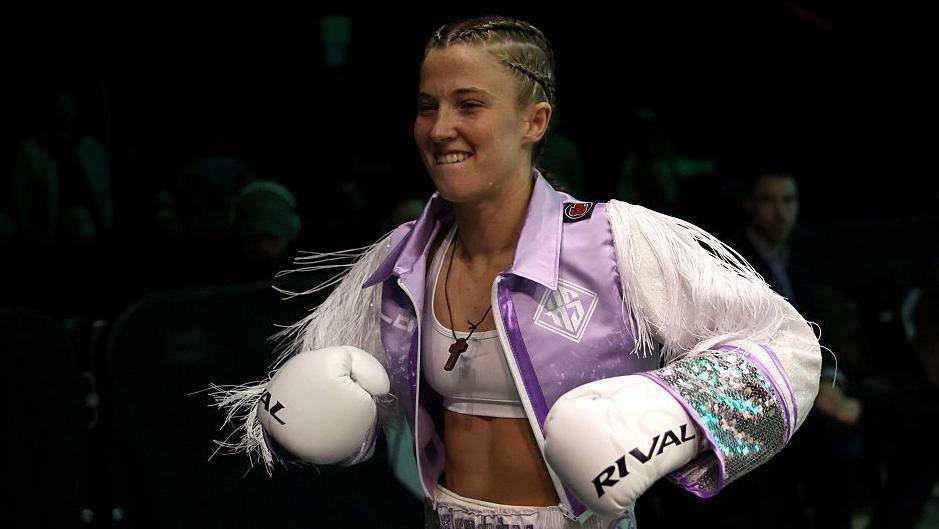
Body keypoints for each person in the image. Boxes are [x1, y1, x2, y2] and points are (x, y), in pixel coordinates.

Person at [212, 15, 822, 529]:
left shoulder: (616, 241)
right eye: (428, 106)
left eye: (468, 104)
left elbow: (788, 348)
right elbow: (326, 413)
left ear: (535, 122)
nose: (440, 127)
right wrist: (320, 422)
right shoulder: (402, 259)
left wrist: (673, 413)